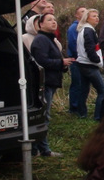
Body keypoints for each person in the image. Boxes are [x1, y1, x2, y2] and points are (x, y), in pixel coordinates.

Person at [30, 12, 75, 157]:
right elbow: (41, 62)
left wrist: (63, 64)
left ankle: (39, 149)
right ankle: (40, 149)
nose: (54, 22)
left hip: (51, 82)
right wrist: (61, 62)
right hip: (45, 83)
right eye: (49, 20)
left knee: (45, 116)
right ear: (40, 24)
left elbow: (53, 59)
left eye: (54, 19)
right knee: (44, 116)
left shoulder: (50, 39)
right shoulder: (41, 40)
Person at [75, 9, 104, 121]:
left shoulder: (83, 29)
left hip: (82, 64)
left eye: (97, 16)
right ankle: (98, 116)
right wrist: (98, 61)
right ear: (87, 18)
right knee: (102, 90)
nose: (97, 18)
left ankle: (81, 113)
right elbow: (90, 49)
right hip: (89, 65)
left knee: (84, 89)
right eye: (93, 16)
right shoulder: (88, 30)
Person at [67, 5, 86, 116]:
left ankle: (79, 105)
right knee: (77, 84)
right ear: (77, 15)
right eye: (82, 11)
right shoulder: (74, 28)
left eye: (86, 11)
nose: (85, 13)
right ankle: (74, 107)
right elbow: (74, 44)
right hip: (76, 61)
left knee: (82, 85)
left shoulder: (84, 27)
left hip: (83, 61)